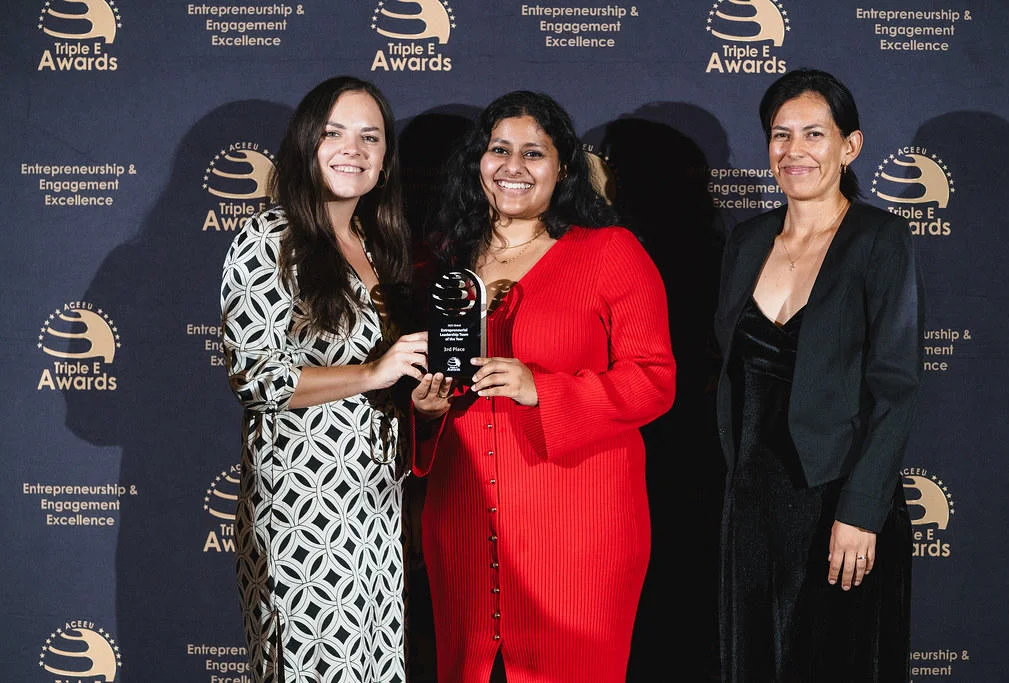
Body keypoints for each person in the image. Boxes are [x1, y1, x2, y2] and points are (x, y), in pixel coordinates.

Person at [409, 91, 676, 683]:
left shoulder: (611, 253)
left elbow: (655, 381)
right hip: (464, 517)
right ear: (477, 162)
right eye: (498, 150)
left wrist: (542, 389)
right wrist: (424, 413)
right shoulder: (446, 264)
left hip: (580, 527)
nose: (513, 166)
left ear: (563, 168)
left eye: (534, 153)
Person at [713, 68, 925, 682]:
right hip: (751, 502)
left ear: (848, 146)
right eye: (781, 136)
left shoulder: (880, 238)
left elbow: (896, 387)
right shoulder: (746, 241)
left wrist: (861, 510)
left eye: (814, 134)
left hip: (837, 498)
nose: (794, 151)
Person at [220, 75, 429, 683]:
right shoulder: (268, 238)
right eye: (335, 133)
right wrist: (371, 371)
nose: (353, 149)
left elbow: (385, 380)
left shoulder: (377, 242)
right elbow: (257, 377)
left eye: (371, 137)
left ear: (386, 159)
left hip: (376, 509)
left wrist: (418, 396)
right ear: (307, 143)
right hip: (303, 515)